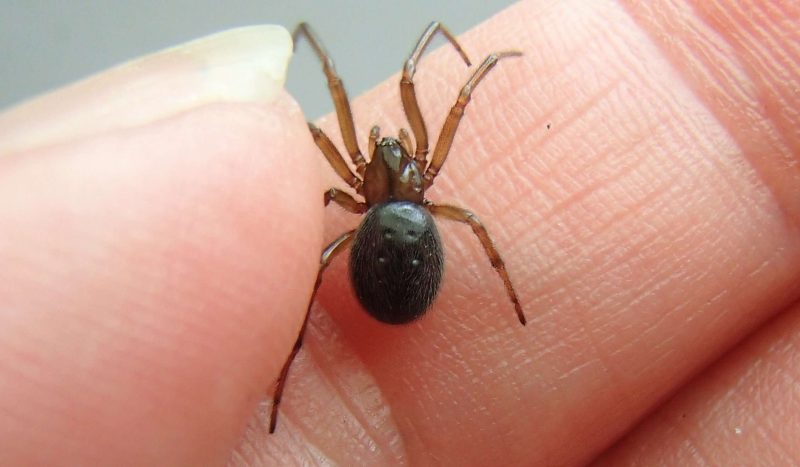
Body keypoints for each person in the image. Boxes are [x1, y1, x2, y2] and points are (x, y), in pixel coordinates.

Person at [1, 2, 798, 465]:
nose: (388, 152)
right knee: (351, 237)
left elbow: (398, 127)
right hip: (398, 256)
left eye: (387, 156)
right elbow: (470, 209)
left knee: (329, 245)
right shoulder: (415, 186)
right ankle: (286, 365)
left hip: (388, 254)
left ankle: (287, 369)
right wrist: (467, 69)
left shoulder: (361, 187)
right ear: (401, 170)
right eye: (393, 156)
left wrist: (447, 68)